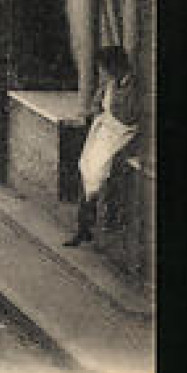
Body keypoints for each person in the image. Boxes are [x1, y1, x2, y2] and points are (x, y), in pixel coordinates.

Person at [67, 45, 140, 247]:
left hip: (124, 135)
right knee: (86, 167)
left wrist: (108, 118)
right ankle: (84, 227)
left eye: (105, 68)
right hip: (105, 132)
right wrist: (92, 113)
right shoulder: (109, 84)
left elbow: (130, 116)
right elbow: (97, 104)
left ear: (115, 66)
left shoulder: (133, 87)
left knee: (100, 171)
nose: (103, 73)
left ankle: (103, 225)